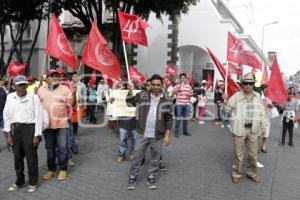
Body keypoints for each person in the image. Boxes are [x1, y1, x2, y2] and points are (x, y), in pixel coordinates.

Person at [126, 74, 173, 190]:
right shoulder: (142, 95)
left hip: (157, 135)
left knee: (155, 158)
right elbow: (129, 103)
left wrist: (167, 136)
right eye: (153, 84)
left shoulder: (167, 100)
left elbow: (169, 119)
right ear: (150, 85)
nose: (156, 87)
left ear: (162, 85)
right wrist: (130, 92)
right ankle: (133, 177)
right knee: (137, 156)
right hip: (142, 134)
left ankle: (151, 176)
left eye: (158, 85)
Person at [4, 75, 43, 192]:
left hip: (29, 129)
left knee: (31, 158)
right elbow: (6, 116)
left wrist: (37, 135)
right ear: (14, 86)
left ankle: (33, 182)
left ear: (27, 85)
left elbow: (39, 117)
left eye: (23, 84)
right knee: (17, 158)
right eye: (19, 85)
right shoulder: (10, 97)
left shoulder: (34, 98)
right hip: (15, 129)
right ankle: (19, 181)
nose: (21, 87)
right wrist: (9, 134)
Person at [227, 73, 267, 183]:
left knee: (253, 155)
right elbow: (227, 110)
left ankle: (251, 173)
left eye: (250, 83)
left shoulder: (257, 96)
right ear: (242, 85)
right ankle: (237, 173)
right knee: (238, 154)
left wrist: (264, 125)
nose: (248, 85)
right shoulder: (236, 96)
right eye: (245, 83)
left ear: (253, 84)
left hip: (253, 129)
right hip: (239, 129)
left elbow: (262, 113)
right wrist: (225, 103)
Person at [38, 69, 74, 181]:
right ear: (47, 78)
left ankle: (63, 169)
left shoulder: (65, 89)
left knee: (63, 148)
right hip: (47, 125)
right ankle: (51, 170)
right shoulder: (40, 90)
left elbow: (71, 104)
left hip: (62, 123)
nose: (55, 78)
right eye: (52, 76)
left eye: (56, 76)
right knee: (50, 149)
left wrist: (74, 93)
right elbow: (36, 107)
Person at [173, 73, 193, 137]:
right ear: (180, 78)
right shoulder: (177, 85)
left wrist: (189, 95)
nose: (182, 79)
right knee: (178, 118)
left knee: (186, 119)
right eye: (181, 78)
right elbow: (173, 92)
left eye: (184, 78)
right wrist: (179, 88)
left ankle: (185, 131)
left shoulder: (188, 86)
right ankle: (176, 132)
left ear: (185, 78)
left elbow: (191, 93)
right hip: (179, 104)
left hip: (187, 104)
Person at [259, 84, 273, 152]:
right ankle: (256, 147)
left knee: (266, 134)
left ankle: (264, 146)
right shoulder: (258, 97)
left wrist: (271, 106)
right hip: (259, 118)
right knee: (258, 134)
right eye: (266, 89)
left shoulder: (269, 98)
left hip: (267, 117)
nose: (267, 90)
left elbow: (271, 106)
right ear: (262, 89)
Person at [0, 78, 8, 152]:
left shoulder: (3, 89)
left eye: (3, 81)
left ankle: (9, 142)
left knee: (5, 128)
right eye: (2, 80)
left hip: (2, 112)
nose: (3, 82)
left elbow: (5, 99)